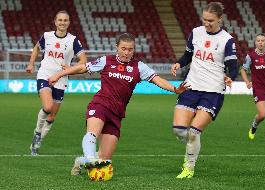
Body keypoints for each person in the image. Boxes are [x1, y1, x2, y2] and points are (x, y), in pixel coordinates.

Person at [48, 33, 186, 179]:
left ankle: (81, 161)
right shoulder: (106, 61)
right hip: (100, 104)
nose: (127, 52)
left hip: (117, 113)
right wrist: (60, 74)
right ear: (117, 48)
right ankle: (90, 158)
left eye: (130, 49)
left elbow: (157, 79)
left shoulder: (139, 67)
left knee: (104, 160)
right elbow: (82, 68)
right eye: (124, 48)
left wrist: (175, 89)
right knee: (92, 134)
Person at [170, 2, 238, 179]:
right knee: (179, 130)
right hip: (191, 86)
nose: (206, 23)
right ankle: (194, 144)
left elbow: (233, 66)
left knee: (193, 132)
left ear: (220, 19)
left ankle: (189, 167)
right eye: (204, 19)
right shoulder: (195, 32)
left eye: (211, 20)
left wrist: (231, 77)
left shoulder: (227, 40)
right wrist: (179, 62)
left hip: (213, 91)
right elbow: (187, 55)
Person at [26, 10, 87, 155]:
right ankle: (37, 133)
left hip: (61, 78)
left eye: (65, 20)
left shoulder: (73, 40)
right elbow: (36, 48)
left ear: (69, 23)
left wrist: (72, 68)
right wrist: (31, 64)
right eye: (60, 20)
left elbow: (83, 60)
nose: (62, 22)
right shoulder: (47, 36)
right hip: (45, 74)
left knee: (52, 116)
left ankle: (37, 143)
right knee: (47, 107)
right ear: (55, 21)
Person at [240, 33, 265, 144]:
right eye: (258, 41)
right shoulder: (251, 56)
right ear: (255, 42)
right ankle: (254, 126)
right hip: (258, 88)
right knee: (263, 114)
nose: (261, 42)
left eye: (262, 40)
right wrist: (247, 82)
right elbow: (243, 70)